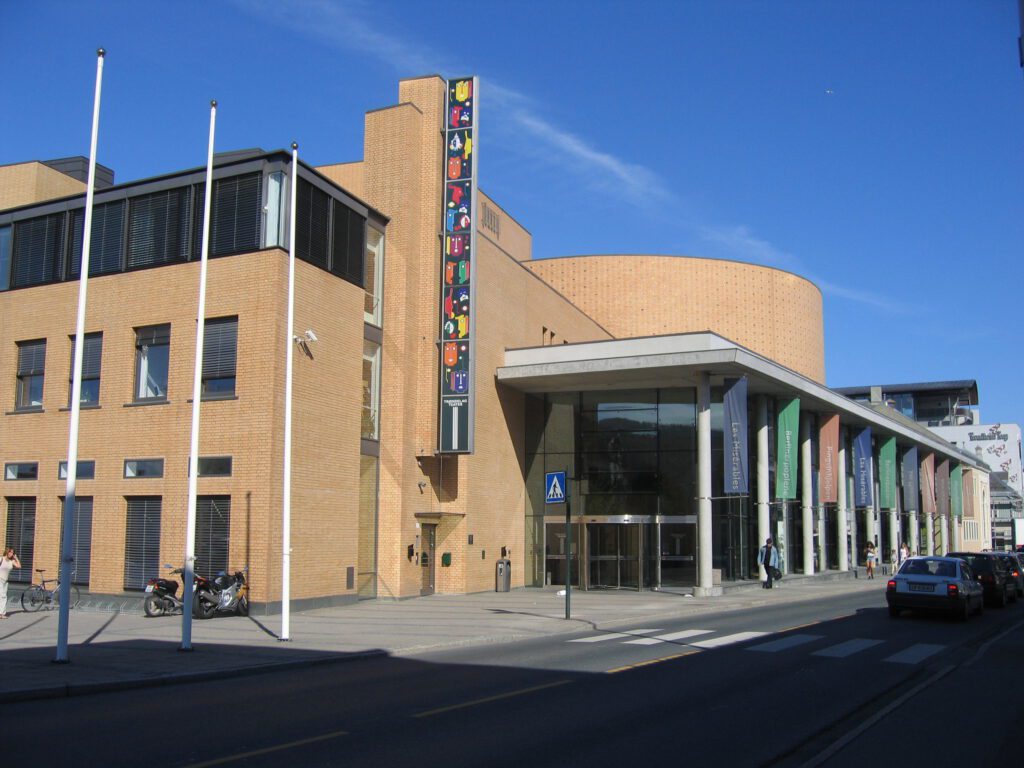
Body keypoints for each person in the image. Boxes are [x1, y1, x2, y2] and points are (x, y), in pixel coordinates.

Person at [1, 546, 21, 618]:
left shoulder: (11, 561)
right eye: (10, 552)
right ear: (7, 551)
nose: (11, 554)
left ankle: (1, 613)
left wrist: (16, 558)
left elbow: (19, 566)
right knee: (2, 596)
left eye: (12, 553)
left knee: (4, 597)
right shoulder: (1, 559)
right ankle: (2, 613)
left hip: (5, 581)